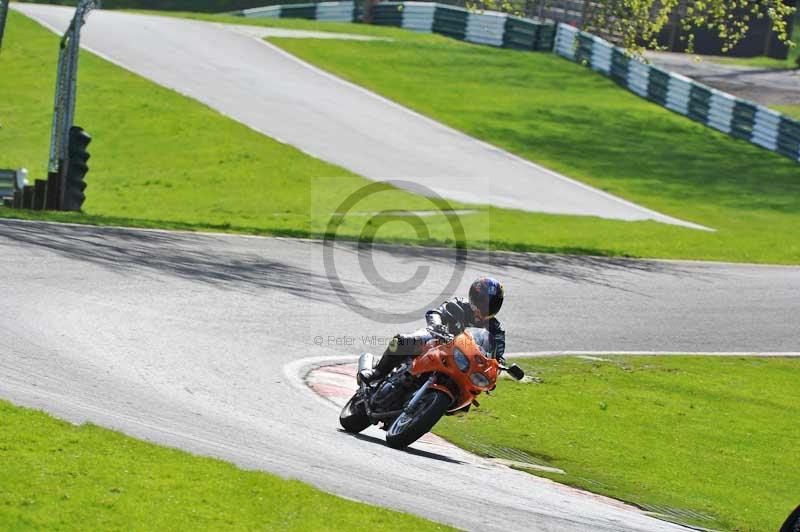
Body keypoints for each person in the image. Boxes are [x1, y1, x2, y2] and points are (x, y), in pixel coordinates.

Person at [359, 276, 506, 384]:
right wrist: (437, 325)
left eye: (492, 304)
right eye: (483, 302)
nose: (486, 307)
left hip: (462, 362)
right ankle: (377, 372)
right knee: (401, 341)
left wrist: (497, 366)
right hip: (436, 342)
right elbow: (435, 313)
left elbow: (497, 355)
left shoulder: (495, 329)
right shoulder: (459, 304)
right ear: (474, 297)